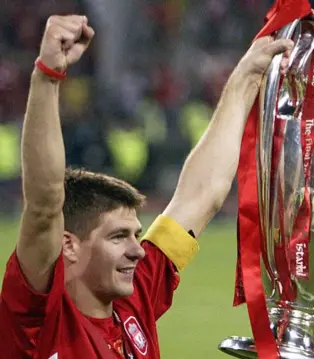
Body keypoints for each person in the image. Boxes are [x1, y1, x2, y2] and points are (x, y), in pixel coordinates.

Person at [0, 14, 294, 359]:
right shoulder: (35, 319)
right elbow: (44, 203)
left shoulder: (134, 297)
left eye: (134, 234)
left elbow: (202, 194)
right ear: (68, 245)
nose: (138, 250)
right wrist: (47, 77)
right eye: (117, 236)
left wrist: (245, 79)